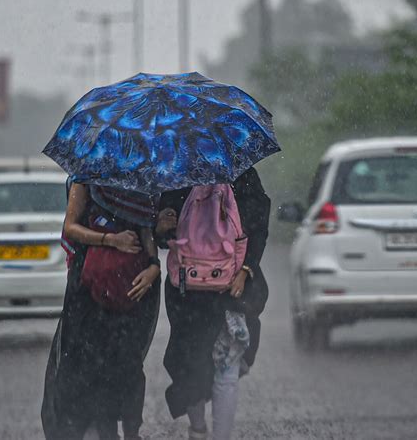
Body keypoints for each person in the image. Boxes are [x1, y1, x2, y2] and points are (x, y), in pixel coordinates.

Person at [156, 167, 271, 440]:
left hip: (187, 292)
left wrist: (161, 225)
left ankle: (197, 430)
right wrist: (246, 270)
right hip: (230, 289)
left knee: (189, 366)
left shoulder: (179, 173)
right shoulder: (243, 174)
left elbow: (163, 236)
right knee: (226, 367)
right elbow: (258, 228)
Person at [41, 183, 161, 440]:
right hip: (89, 289)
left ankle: (130, 430)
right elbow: (70, 227)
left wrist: (154, 266)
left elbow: (144, 227)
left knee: (128, 364)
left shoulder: (137, 180)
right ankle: (99, 430)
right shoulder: (86, 178)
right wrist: (110, 239)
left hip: (131, 286)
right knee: (87, 364)